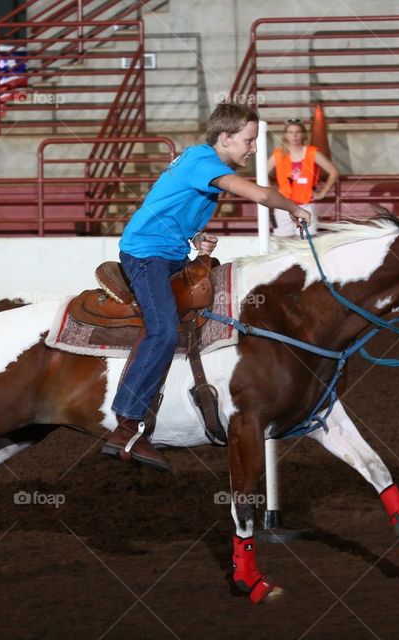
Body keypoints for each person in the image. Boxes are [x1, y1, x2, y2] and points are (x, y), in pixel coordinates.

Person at [103, 103, 311, 472]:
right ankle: (127, 425)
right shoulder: (204, 163)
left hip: (168, 252)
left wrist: (196, 236)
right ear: (225, 138)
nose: (252, 149)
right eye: (248, 141)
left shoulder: (200, 161)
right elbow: (261, 196)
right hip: (146, 255)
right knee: (164, 328)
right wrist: (294, 207)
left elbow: (168, 206)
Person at [266, 117, 339, 237]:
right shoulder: (278, 154)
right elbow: (262, 172)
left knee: (306, 244)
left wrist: (322, 193)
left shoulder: (312, 153)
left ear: (303, 135)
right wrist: (271, 191)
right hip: (283, 205)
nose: (294, 136)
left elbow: (334, 172)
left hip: (305, 205)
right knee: (283, 243)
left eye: (297, 132)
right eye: (290, 132)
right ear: (286, 135)